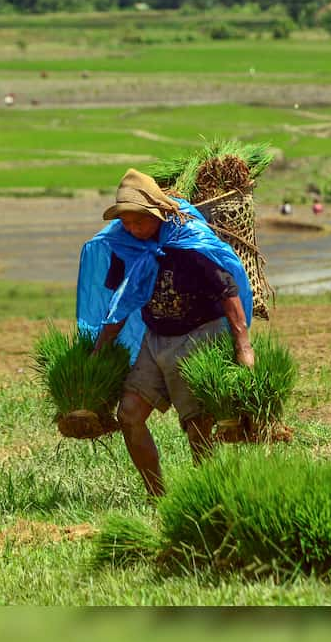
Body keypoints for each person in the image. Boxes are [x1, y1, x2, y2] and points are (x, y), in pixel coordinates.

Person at [78, 168, 254, 500]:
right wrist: (99, 351)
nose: (132, 228)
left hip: (199, 334)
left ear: (157, 214)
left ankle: (210, 495)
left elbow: (228, 292)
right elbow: (121, 302)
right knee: (129, 415)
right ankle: (157, 496)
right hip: (156, 337)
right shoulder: (125, 246)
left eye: (139, 221)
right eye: (126, 222)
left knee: (197, 427)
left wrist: (242, 344)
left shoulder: (187, 243)